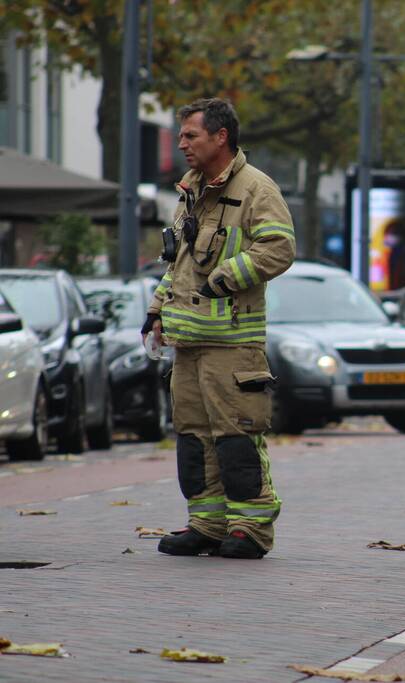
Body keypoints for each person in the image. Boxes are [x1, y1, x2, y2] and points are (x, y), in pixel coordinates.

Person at [142, 98, 296, 559]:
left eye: (191, 135)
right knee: (193, 438)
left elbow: (280, 248)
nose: (182, 143)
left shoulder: (255, 189)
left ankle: (250, 528)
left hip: (233, 345)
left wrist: (226, 277)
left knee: (237, 437)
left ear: (220, 136)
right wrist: (156, 310)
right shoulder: (191, 189)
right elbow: (179, 262)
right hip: (188, 344)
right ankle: (206, 524)